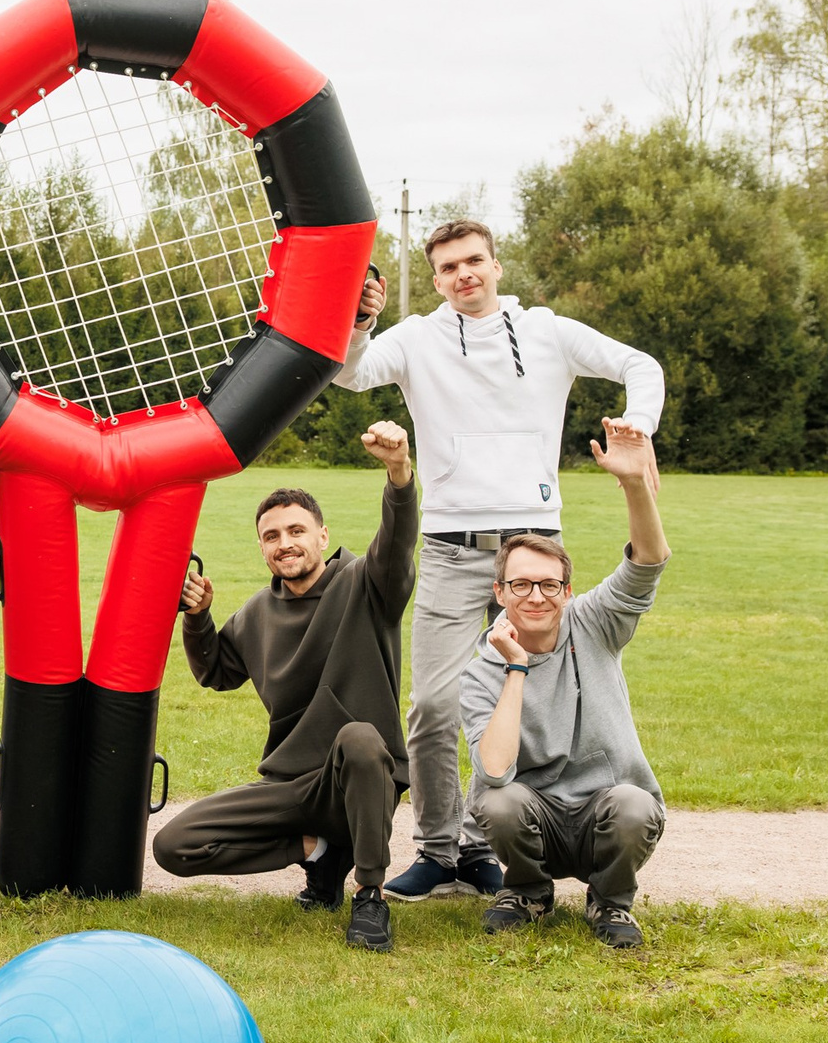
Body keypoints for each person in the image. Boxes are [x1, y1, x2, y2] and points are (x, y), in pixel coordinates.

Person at [336, 219, 665, 905]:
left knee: (524, 701)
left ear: (496, 265)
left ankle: (488, 846)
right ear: (434, 279)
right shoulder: (420, 337)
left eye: (474, 261)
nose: (464, 275)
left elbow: (642, 364)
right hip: (453, 549)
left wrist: (639, 420)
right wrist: (359, 321)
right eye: (449, 266)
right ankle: (436, 850)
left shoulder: (547, 331)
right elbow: (351, 374)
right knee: (433, 704)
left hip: (532, 554)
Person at [151, 423, 419, 951]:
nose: (285, 544)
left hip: (358, 780)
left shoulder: (368, 584)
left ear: (322, 536)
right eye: (272, 536)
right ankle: (319, 853)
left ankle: (370, 896)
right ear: (261, 547)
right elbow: (218, 672)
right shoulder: (257, 612)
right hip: (292, 786)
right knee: (174, 845)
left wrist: (398, 473)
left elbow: (397, 540)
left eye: (296, 531)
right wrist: (199, 618)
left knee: (362, 738)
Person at [463, 418, 671, 949]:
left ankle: (611, 899)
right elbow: (495, 771)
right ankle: (528, 891)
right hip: (537, 821)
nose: (536, 596)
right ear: (500, 591)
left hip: (606, 811)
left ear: (567, 588)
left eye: (549, 584)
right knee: (498, 803)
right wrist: (515, 669)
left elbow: (647, 563)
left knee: (633, 805)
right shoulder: (483, 669)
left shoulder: (594, 621)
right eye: (521, 584)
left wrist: (632, 483)